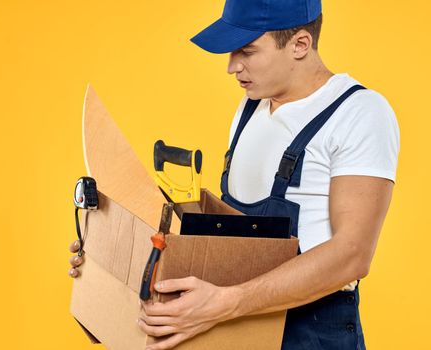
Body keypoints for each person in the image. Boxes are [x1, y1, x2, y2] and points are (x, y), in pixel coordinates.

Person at [69, 0, 400, 349]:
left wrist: (226, 303)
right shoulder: (250, 108)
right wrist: (120, 259)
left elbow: (352, 255)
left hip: (310, 331)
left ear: (300, 44)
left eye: (247, 51)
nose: (231, 67)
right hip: (231, 326)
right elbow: (231, 239)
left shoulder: (360, 114)